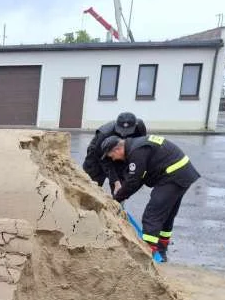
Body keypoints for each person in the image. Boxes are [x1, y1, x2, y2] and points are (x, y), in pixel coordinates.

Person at [101, 134, 200, 262]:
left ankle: (147, 255)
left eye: (112, 156)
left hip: (173, 175)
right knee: (167, 214)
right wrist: (121, 195)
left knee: (152, 215)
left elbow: (133, 181)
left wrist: (115, 200)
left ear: (117, 149)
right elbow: (139, 179)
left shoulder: (136, 152)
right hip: (182, 173)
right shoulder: (136, 146)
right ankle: (161, 251)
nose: (113, 159)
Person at [83, 112, 147, 190]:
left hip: (122, 153)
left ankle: (117, 200)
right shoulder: (104, 134)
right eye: (121, 131)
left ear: (135, 125)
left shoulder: (140, 127)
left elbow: (141, 148)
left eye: (128, 132)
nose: (124, 135)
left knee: (121, 185)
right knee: (91, 183)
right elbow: (103, 160)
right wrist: (115, 180)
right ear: (116, 125)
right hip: (98, 154)